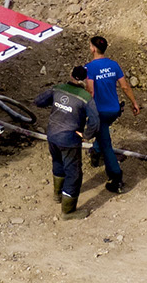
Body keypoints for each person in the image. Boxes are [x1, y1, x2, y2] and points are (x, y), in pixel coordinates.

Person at [34, 66, 99, 216]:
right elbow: (95, 121)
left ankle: (57, 195)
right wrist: (86, 135)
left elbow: (38, 101)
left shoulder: (58, 88)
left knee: (57, 162)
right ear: (85, 79)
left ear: (71, 75)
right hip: (69, 140)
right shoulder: (85, 98)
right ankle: (68, 212)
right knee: (73, 173)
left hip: (52, 135)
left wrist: (58, 105)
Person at [83, 35, 140, 193]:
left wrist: (85, 110)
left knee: (106, 145)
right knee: (103, 133)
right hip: (114, 110)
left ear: (93, 48)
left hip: (100, 112)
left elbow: (91, 91)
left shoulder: (90, 68)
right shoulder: (114, 65)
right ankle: (95, 150)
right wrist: (134, 103)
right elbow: (125, 87)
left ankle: (116, 179)